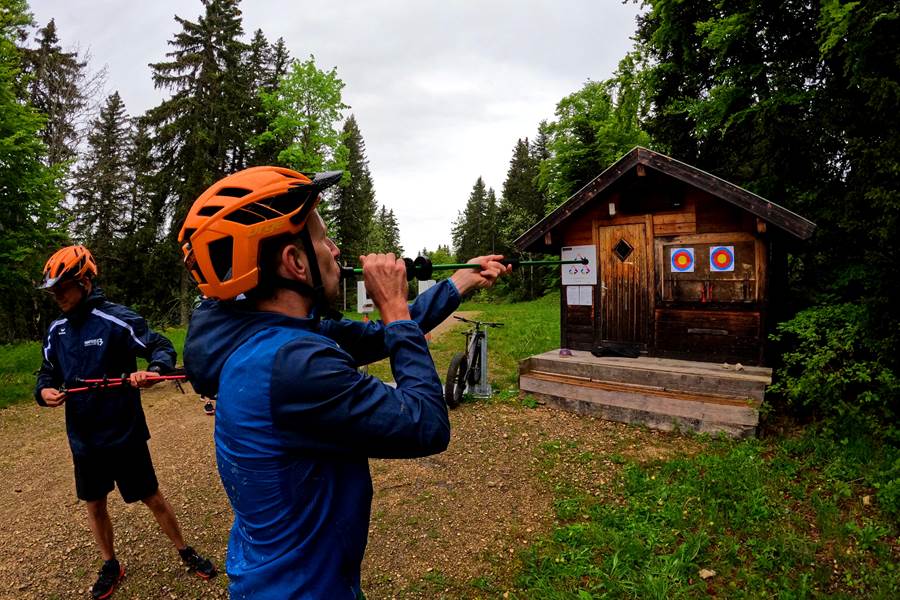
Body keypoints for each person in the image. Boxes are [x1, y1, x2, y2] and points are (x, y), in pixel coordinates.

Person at [179, 166, 510, 599]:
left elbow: (378, 338)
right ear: (295, 263)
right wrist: (392, 306)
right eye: (323, 240)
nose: (337, 250)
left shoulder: (273, 341)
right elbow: (426, 423)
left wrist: (458, 282)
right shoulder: (297, 367)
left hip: (277, 579)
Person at [34, 245, 217, 599]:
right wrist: (44, 392)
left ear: (85, 281)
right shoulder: (56, 330)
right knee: (94, 503)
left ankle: (184, 550)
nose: (57, 296)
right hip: (84, 439)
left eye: (63, 287)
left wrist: (155, 370)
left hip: (124, 433)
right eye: (53, 290)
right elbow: (47, 373)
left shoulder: (116, 320)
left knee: (152, 497)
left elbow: (159, 345)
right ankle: (110, 563)